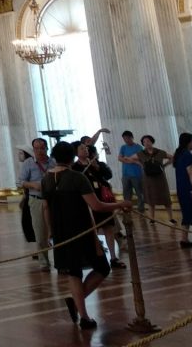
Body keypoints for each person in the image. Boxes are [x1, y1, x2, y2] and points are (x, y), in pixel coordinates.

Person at [42, 140, 131, 330]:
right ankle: (78, 306)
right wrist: (120, 205)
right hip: (81, 230)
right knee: (102, 267)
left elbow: (46, 207)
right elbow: (96, 205)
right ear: (72, 157)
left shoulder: (46, 179)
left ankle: (83, 315)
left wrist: (50, 231)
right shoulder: (76, 178)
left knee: (73, 272)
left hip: (61, 231)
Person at [73, 142, 124, 269]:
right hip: (86, 201)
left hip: (103, 200)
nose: (85, 150)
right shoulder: (75, 168)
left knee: (109, 228)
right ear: (75, 152)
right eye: (81, 148)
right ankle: (95, 257)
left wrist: (98, 168)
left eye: (86, 148)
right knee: (91, 230)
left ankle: (113, 257)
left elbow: (108, 175)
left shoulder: (97, 163)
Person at [19, 137, 52, 271]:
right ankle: (44, 262)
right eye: (36, 148)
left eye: (42, 148)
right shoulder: (28, 163)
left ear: (46, 148)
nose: (39, 151)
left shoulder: (53, 162)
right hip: (36, 199)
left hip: (52, 200)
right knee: (40, 231)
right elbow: (21, 181)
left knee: (56, 229)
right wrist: (33, 184)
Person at [132, 135, 174, 225]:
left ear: (152, 141)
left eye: (148, 141)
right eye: (144, 142)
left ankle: (171, 218)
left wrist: (164, 166)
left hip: (160, 178)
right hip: (148, 179)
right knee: (151, 199)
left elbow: (172, 157)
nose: (146, 143)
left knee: (166, 198)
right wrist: (141, 165)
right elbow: (131, 158)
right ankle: (152, 219)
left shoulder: (160, 152)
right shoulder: (141, 153)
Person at [117, 131, 145, 214]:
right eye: (124, 139)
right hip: (125, 174)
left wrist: (127, 159)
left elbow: (141, 159)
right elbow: (119, 158)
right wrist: (131, 160)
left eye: (127, 138)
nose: (126, 140)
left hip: (137, 174)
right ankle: (127, 209)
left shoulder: (138, 147)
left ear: (131, 137)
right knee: (126, 193)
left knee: (139, 193)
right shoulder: (123, 147)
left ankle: (141, 210)